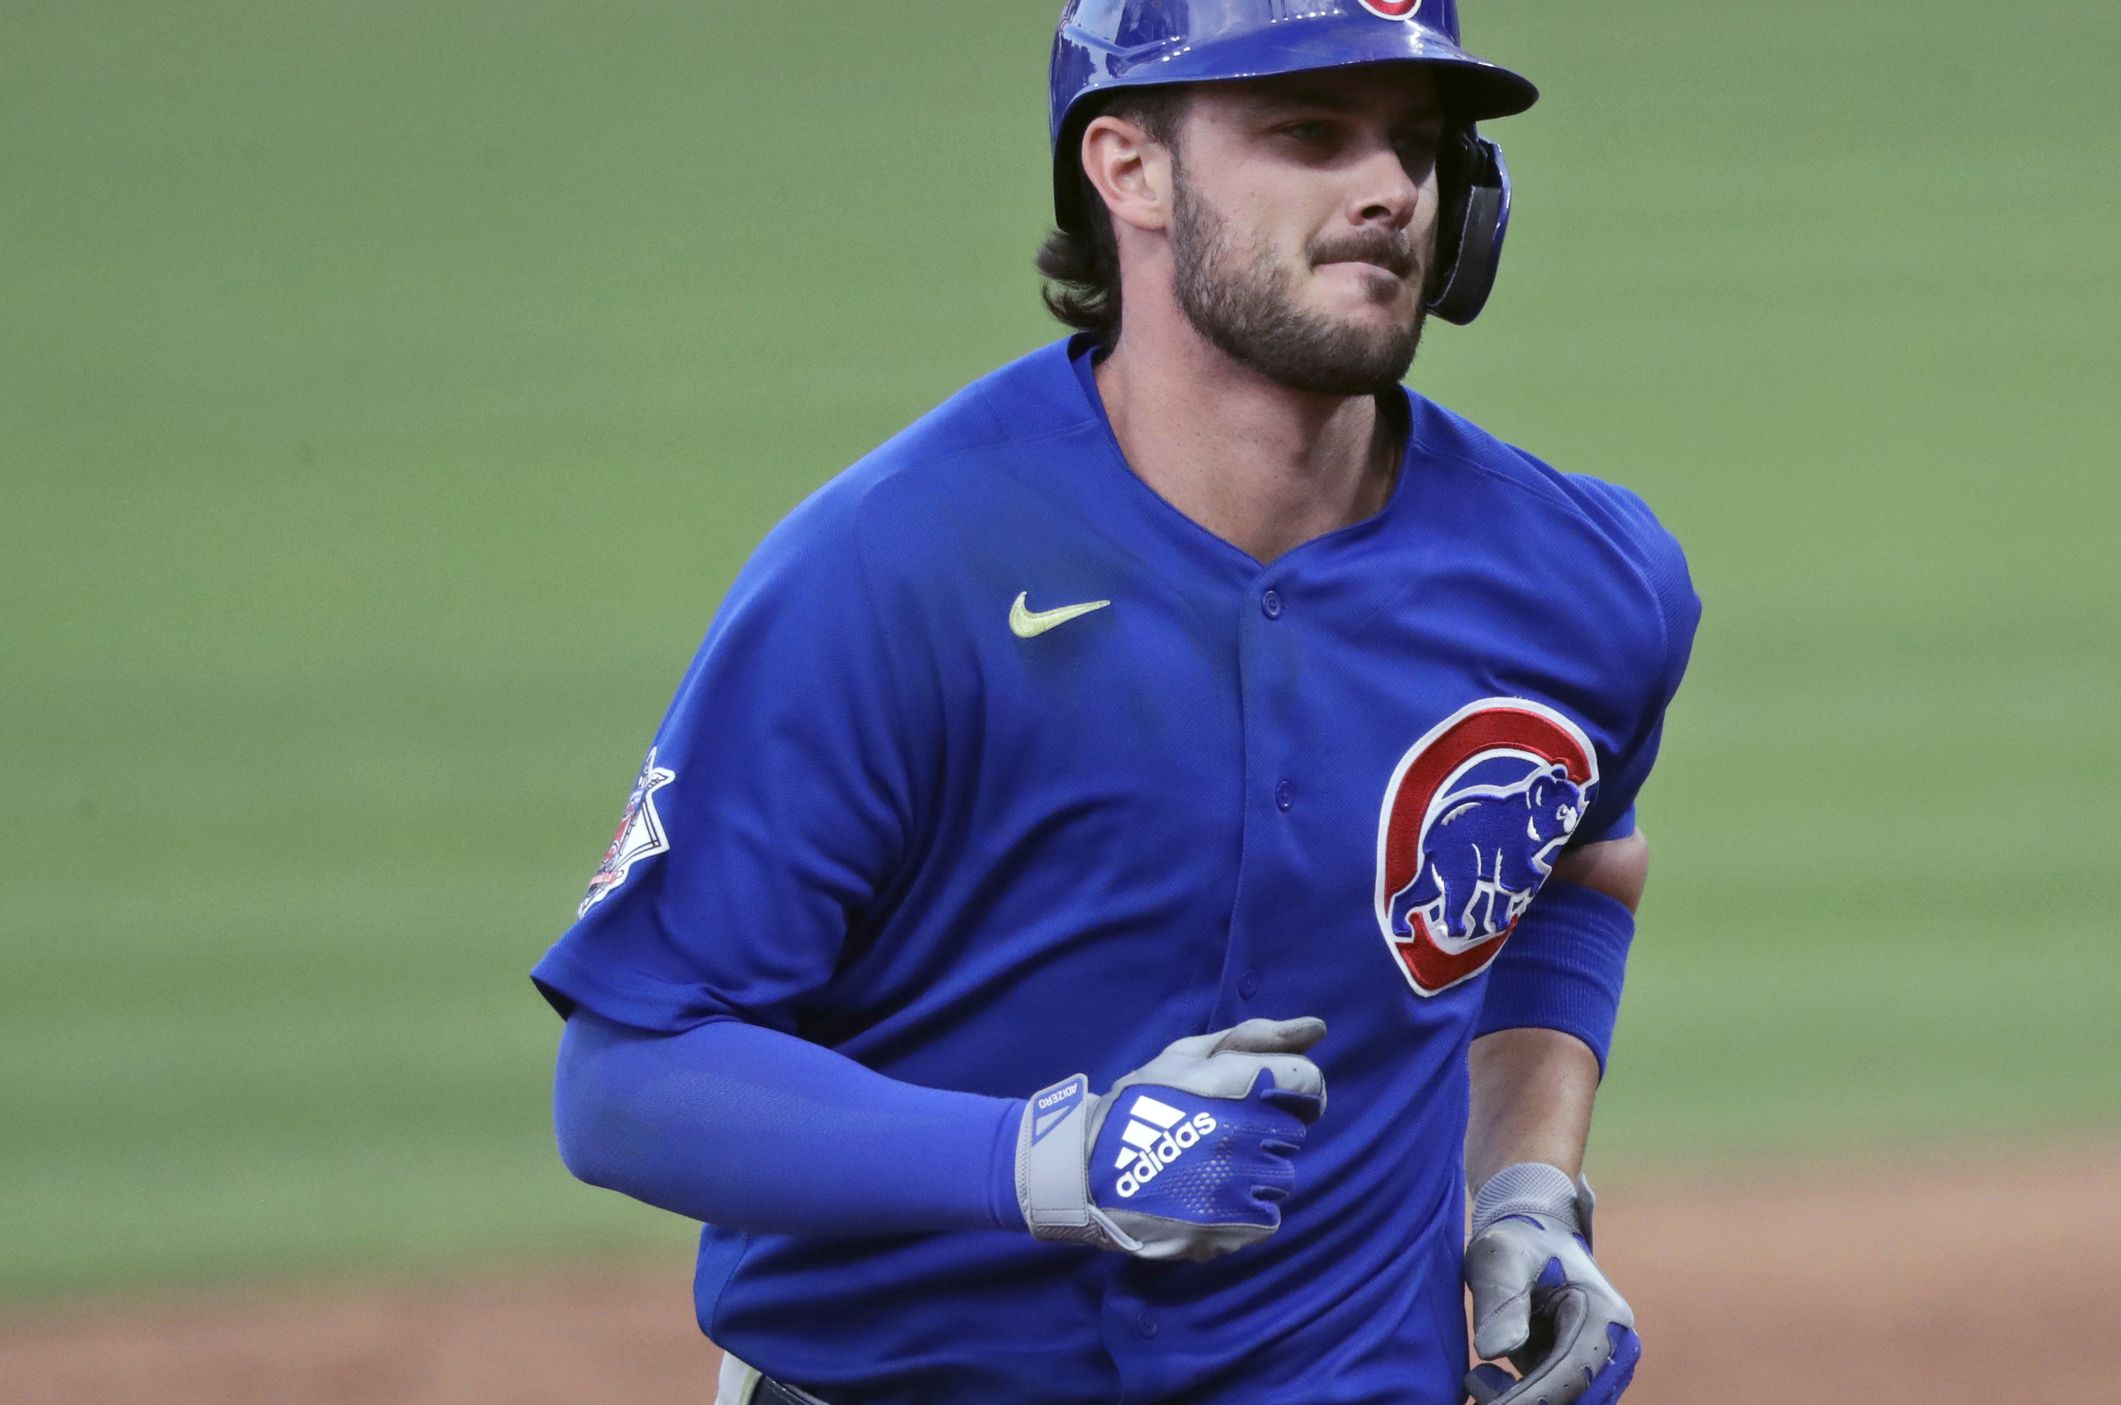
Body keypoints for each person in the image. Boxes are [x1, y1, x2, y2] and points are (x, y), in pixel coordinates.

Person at [532, 3, 1699, 1402]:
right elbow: (628, 1076)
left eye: (1420, 144)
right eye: (1311, 132)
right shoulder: (898, 572)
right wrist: (1052, 1161)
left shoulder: (1577, 581)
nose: (1389, 189)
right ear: (1128, 168)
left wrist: (1525, 1195)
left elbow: (1575, 861)